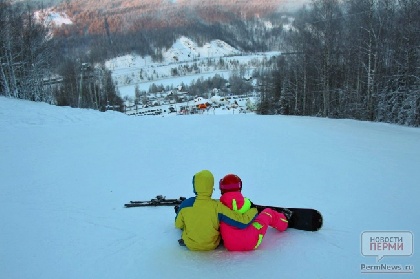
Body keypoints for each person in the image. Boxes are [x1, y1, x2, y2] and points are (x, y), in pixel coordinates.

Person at [175, 170, 258, 251]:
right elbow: (241, 222)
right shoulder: (218, 206)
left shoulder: (186, 204)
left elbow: (178, 225)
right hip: (211, 245)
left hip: (190, 245)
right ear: (211, 187)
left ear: (195, 186)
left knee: (187, 221)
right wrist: (253, 210)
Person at [218, 174, 289, 251]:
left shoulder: (218, 207)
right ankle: (285, 221)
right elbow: (252, 213)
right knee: (268, 213)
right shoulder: (246, 203)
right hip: (252, 241)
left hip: (230, 245)